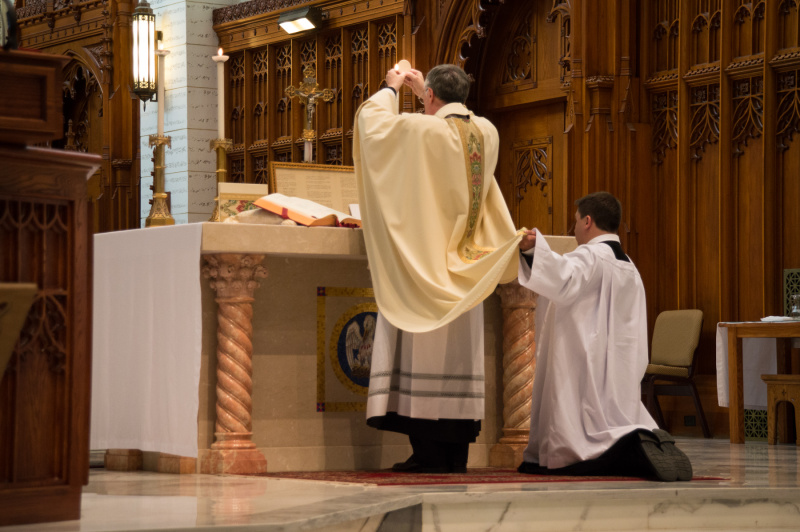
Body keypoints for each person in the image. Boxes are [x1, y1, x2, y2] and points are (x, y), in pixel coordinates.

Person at [353, 64, 521, 473]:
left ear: (429, 96)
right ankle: (455, 456)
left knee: (423, 359)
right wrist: (424, 93)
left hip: (425, 264)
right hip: (467, 268)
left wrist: (391, 87)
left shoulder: (419, 129)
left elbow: (372, 125)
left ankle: (427, 455)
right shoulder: (486, 132)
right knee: (457, 364)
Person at [516, 191, 693, 481]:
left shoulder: (590, 255)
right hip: (618, 362)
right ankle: (644, 441)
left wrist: (533, 251)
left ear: (588, 221)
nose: (573, 230)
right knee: (612, 421)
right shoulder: (629, 265)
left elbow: (562, 279)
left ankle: (632, 452)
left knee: (585, 439)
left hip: (586, 358)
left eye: (575, 222)